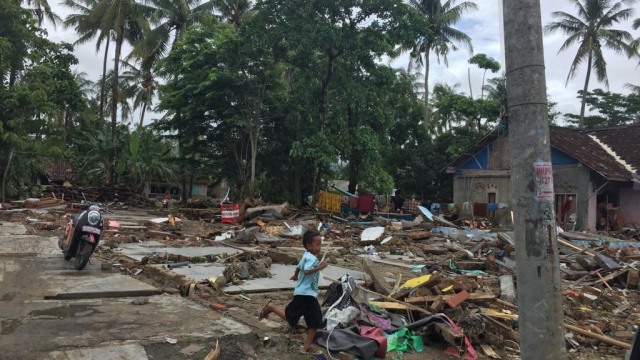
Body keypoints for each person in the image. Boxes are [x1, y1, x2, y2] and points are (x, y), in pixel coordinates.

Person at [258, 229, 328, 354]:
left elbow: (299, 268)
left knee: (306, 320)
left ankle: (305, 348)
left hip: (304, 294)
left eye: (320, 245)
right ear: (308, 246)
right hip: (306, 295)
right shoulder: (311, 259)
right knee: (313, 321)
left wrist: (295, 276)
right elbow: (306, 271)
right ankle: (271, 308)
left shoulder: (306, 256)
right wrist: (320, 267)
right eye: (317, 245)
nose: (320, 248)